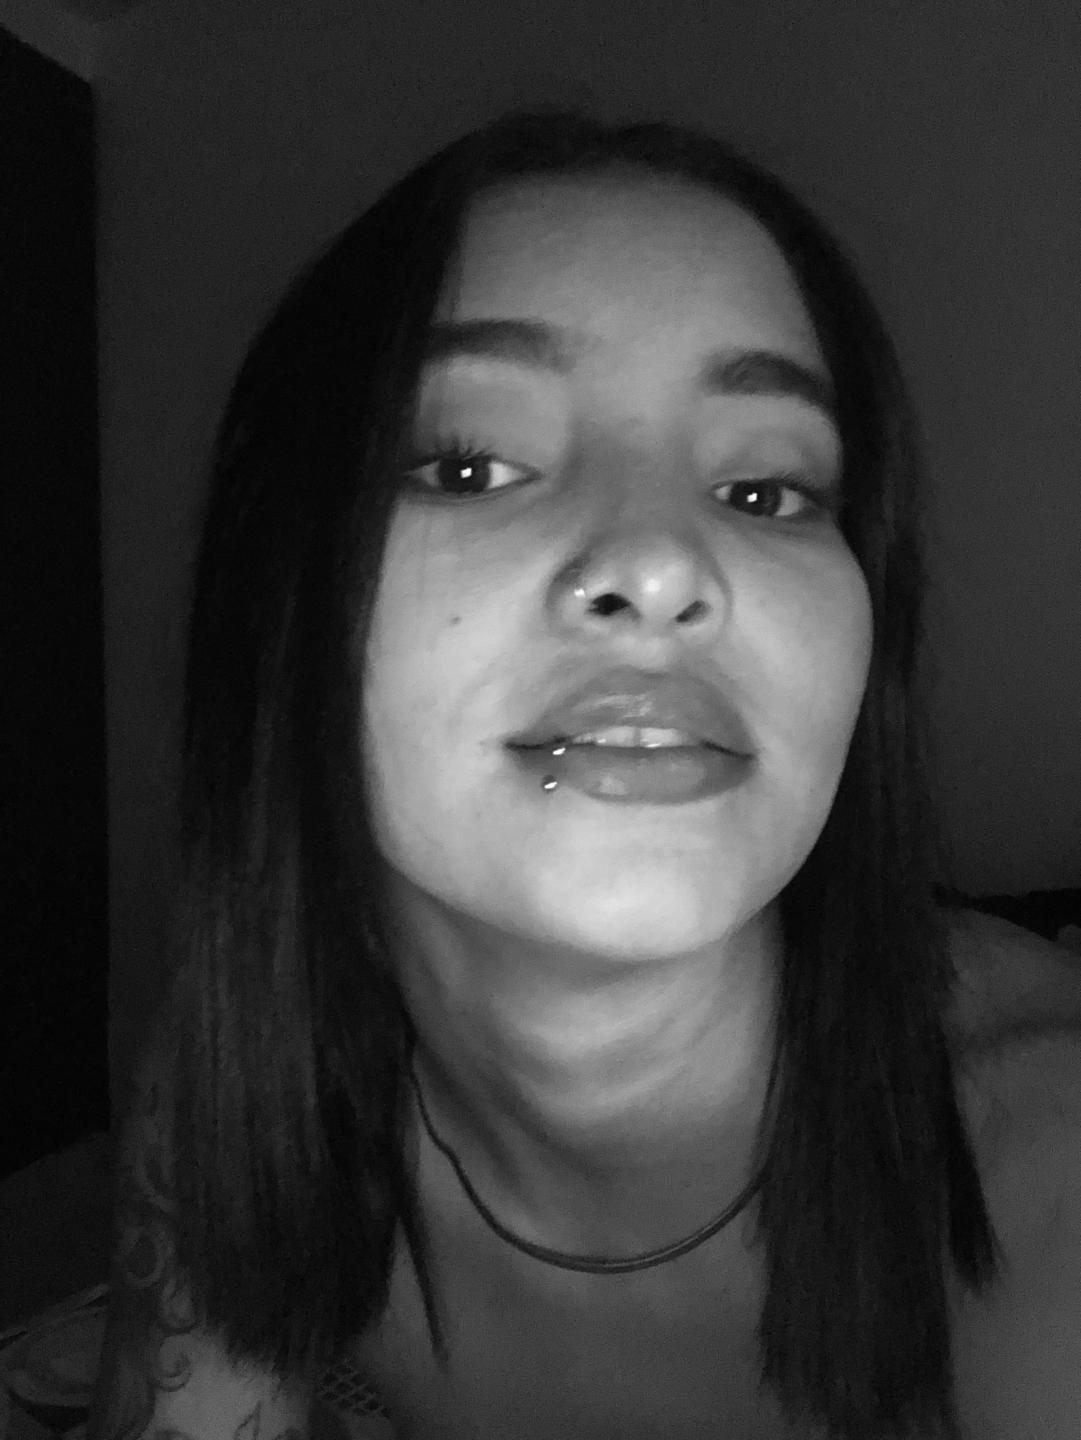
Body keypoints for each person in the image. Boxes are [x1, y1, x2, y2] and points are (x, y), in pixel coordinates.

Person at [87, 108, 1081, 1440]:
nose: (662, 567)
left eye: (767, 491)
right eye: (468, 465)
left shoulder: (1048, 1169)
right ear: (282, 601)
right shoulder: (254, 1088)